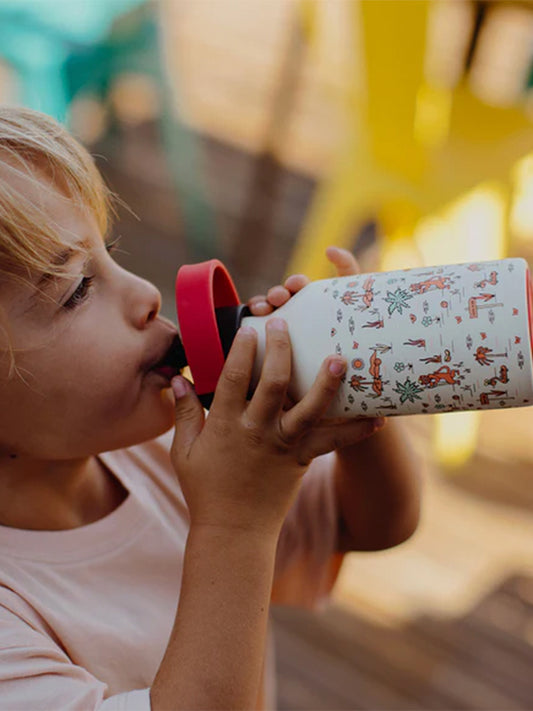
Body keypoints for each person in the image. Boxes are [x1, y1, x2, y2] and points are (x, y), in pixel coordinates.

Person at [0, 107, 421, 711]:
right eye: (78, 289)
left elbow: (374, 524)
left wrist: (351, 388)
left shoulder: (163, 446)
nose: (146, 294)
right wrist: (235, 522)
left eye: (110, 249)